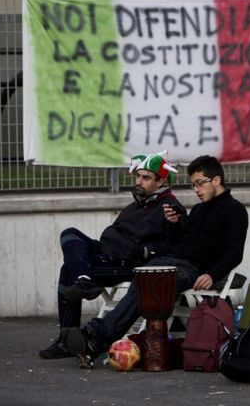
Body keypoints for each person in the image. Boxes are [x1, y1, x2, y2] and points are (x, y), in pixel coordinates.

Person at [64, 155, 249, 369]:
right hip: (169, 260)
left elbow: (235, 252)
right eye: (193, 185)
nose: (196, 190)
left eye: (200, 184)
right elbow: (182, 240)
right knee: (142, 280)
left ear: (216, 180)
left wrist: (212, 275)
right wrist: (175, 223)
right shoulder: (198, 210)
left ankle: (94, 335)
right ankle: (94, 340)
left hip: (193, 270)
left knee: (147, 285)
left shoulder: (235, 211)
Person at [39, 152, 185, 359]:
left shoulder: (169, 206)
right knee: (69, 234)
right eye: (138, 176)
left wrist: (175, 222)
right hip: (106, 251)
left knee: (68, 270)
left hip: (125, 262)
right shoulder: (138, 204)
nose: (139, 181)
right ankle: (84, 279)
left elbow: (178, 233)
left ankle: (66, 337)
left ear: (161, 181)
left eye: (145, 178)